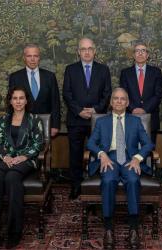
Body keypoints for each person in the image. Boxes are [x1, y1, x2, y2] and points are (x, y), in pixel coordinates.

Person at [87, 88, 154, 249]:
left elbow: (148, 144)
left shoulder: (135, 121)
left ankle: (133, 228)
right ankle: (108, 228)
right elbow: (91, 143)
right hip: (109, 159)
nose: (118, 101)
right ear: (111, 102)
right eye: (115, 98)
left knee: (132, 180)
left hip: (129, 159)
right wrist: (102, 154)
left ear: (127, 102)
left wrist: (138, 159)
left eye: (122, 99)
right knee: (109, 181)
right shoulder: (101, 121)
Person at [0, 86, 44, 249]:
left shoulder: (34, 119)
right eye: (15, 98)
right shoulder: (3, 120)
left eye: (21, 98)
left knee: (12, 178)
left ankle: (15, 231)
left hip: (26, 160)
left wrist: (23, 156)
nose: (18, 101)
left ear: (26, 101)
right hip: (6, 159)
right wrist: (5, 157)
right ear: (10, 101)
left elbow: (38, 143)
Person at [63, 37, 112, 200]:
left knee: (98, 153)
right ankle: (76, 186)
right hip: (76, 120)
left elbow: (107, 93)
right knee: (75, 155)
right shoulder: (70, 69)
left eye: (90, 48)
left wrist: (96, 110)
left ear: (94, 51)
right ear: (78, 52)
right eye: (83, 49)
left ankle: (96, 185)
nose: (87, 52)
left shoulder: (103, 70)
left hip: (97, 120)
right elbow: (67, 94)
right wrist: (79, 111)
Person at [9, 43, 61, 137]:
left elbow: (55, 103)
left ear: (39, 58)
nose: (32, 59)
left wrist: (55, 125)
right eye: (29, 56)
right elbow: (11, 103)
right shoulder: (15, 77)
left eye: (35, 56)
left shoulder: (50, 76)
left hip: (46, 125)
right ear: (24, 58)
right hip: (22, 125)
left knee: (44, 150)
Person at [120, 42, 162, 143]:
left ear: (147, 55)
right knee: (130, 150)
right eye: (137, 51)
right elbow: (123, 95)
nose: (140, 53)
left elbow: (158, 95)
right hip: (130, 116)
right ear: (133, 55)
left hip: (151, 118)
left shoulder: (156, 72)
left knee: (149, 151)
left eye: (143, 51)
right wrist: (133, 108)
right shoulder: (125, 73)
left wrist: (144, 109)